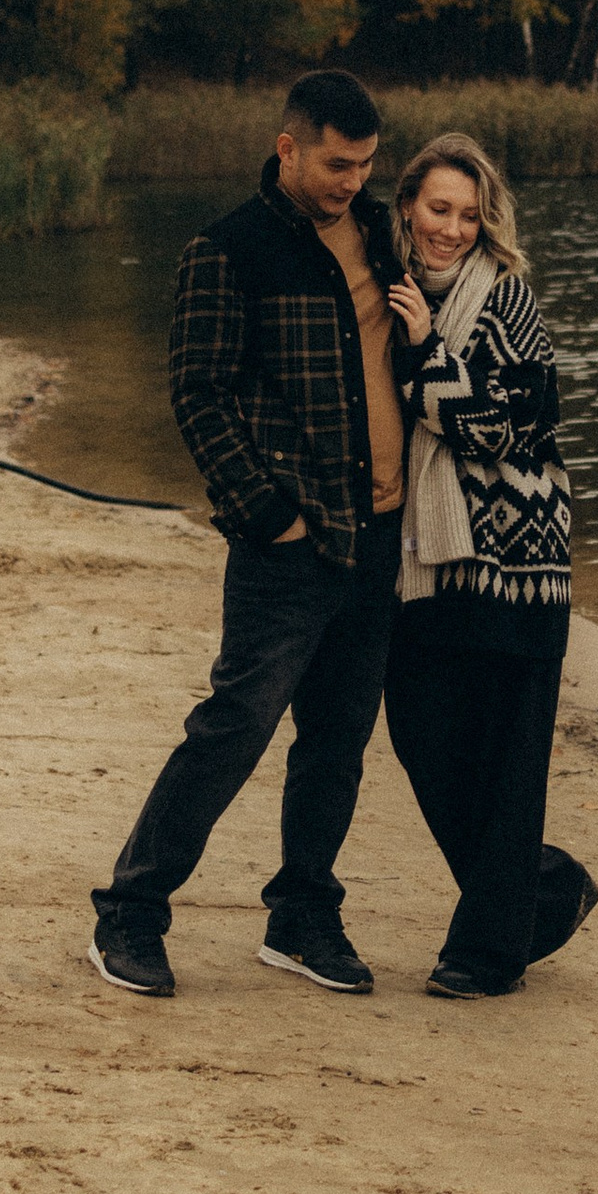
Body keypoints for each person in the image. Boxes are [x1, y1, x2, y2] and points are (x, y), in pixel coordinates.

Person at [89, 68, 407, 1000]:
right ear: (288, 149)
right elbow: (198, 394)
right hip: (290, 546)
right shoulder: (227, 250)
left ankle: (302, 918)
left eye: (366, 165)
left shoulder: (381, 235)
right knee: (233, 729)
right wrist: (270, 515)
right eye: (338, 165)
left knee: (338, 742)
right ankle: (129, 914)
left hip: (379, 535)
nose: (353, 182)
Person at [382, 130, 590, 999]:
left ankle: (487, 954)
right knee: (421, 732)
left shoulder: (506, 299)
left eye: (469, 215)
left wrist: (427, 351)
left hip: (519, 565)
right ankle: (543, 891)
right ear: (407, 207)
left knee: (506, 763)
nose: (452, 229)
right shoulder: (384, 289)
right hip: (427, 562)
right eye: (439, 209)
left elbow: (508, 426)